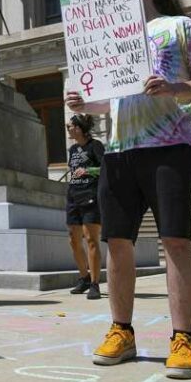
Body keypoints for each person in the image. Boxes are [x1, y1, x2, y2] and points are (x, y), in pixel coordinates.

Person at [65, 0, 191, 380]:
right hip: (117, 152)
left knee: (176, 241)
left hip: (169, 147)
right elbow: (114, 102)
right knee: (117, 243)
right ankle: (121, 331)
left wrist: (176, 88)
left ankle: (183, 337)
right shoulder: (113, 41)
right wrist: (86, 105)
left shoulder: (179, 26)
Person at [65, 114, 105, 300]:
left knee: (91, 239)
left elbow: (106, 168)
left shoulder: (95, 146)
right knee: (73, 240)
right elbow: (73, 170)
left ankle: (96, 284)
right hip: (73, 197)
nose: (68, 129)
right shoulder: (72, 149)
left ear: (79, 128)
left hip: (91, 196)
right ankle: (84, 278)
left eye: (70, 126)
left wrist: (88, 170)